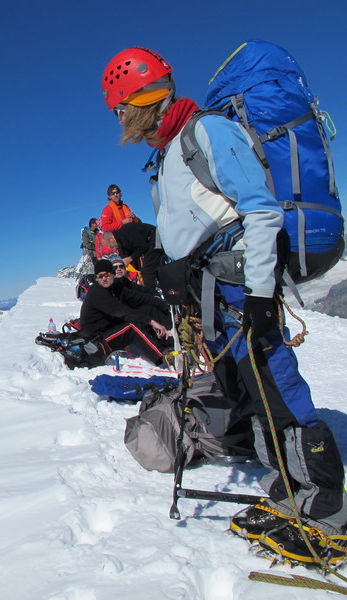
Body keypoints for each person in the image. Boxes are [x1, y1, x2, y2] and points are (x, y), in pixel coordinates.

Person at [102, 46, 347, 562]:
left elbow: (259, 211)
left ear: (136, 100)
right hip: (211, 289)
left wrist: (260, 295)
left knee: (273, 377)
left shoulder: (205, 133)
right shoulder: (169, 153)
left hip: (239, 285)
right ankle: (289, 480)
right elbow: (196, 222)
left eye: (119, 109)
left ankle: (326, 505)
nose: (119, 120)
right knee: (244, 384)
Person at [79, 259, 170, 365]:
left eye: (107, 275)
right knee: (132, 327)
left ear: (112, 274)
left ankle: (169, 341)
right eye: (100, 276)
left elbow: (140, 298)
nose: (104, 278)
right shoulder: (97, 293)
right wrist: (151, 322)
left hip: (109, 329)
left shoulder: (116, 288)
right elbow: (122, 312)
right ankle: (163, 359)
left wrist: (165, 306)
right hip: (97, 340)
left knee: (147, 310)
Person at [101, 222, 163, 291]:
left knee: (147, 271)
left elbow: (143, 247)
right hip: (148, 244)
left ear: (111, 239)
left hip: (154, 237)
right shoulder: (121, 243)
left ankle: (151, 296)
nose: (111, 248)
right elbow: (125, 259)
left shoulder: (126, 232)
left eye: (110, 246)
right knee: (145, 269)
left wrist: (130, 258)